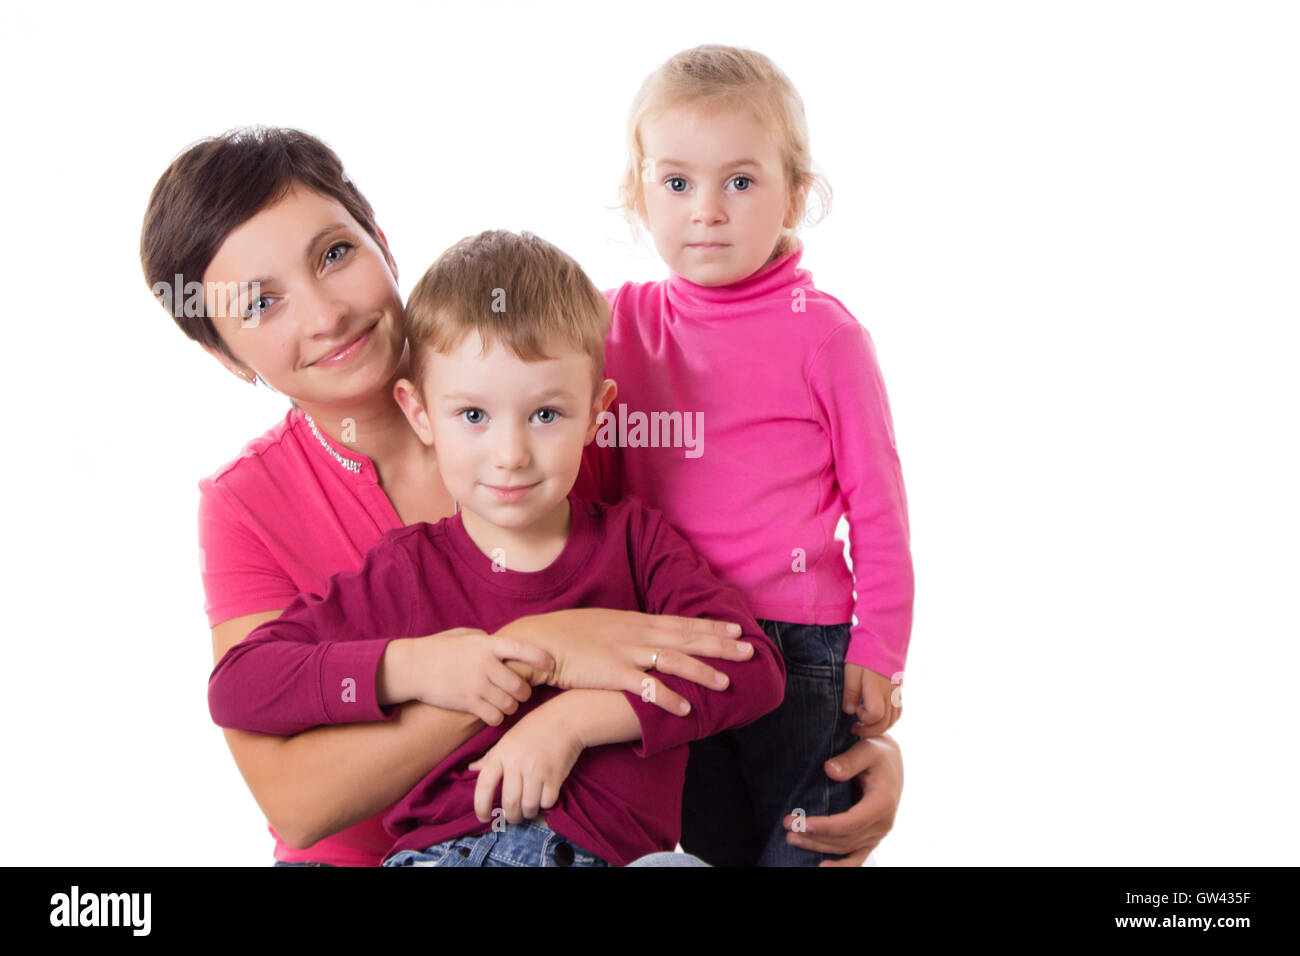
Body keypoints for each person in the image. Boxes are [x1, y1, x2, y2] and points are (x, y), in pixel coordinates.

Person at [140, 126, 903, 867]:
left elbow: (755, 568)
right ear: (225, 356)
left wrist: (824, 756)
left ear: (381, 240)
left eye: (335, 254)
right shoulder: (246, 505)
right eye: (259, 304)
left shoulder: (551, 371)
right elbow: (297, 802)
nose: (324, 313)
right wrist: (539, 653)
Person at [208, 231, 787, 867]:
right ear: (420, 413)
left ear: (597, 413)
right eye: (474, 417)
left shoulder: (637, 544)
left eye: (545, 416)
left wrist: (570, 722)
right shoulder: (407, 571)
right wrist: (409, 666)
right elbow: (239, 685)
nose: (510, 456)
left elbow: (751, 670)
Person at [573, 45, 915, 866]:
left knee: (802, 845)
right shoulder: (619, 321)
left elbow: (878, 507)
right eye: (677, 183)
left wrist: (881, 650)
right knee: (709, 845)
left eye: (741, 181)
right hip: (677, 636)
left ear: (796, 194)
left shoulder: (824, 335)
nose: (707, 211)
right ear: (638, 193)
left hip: (801, 644)